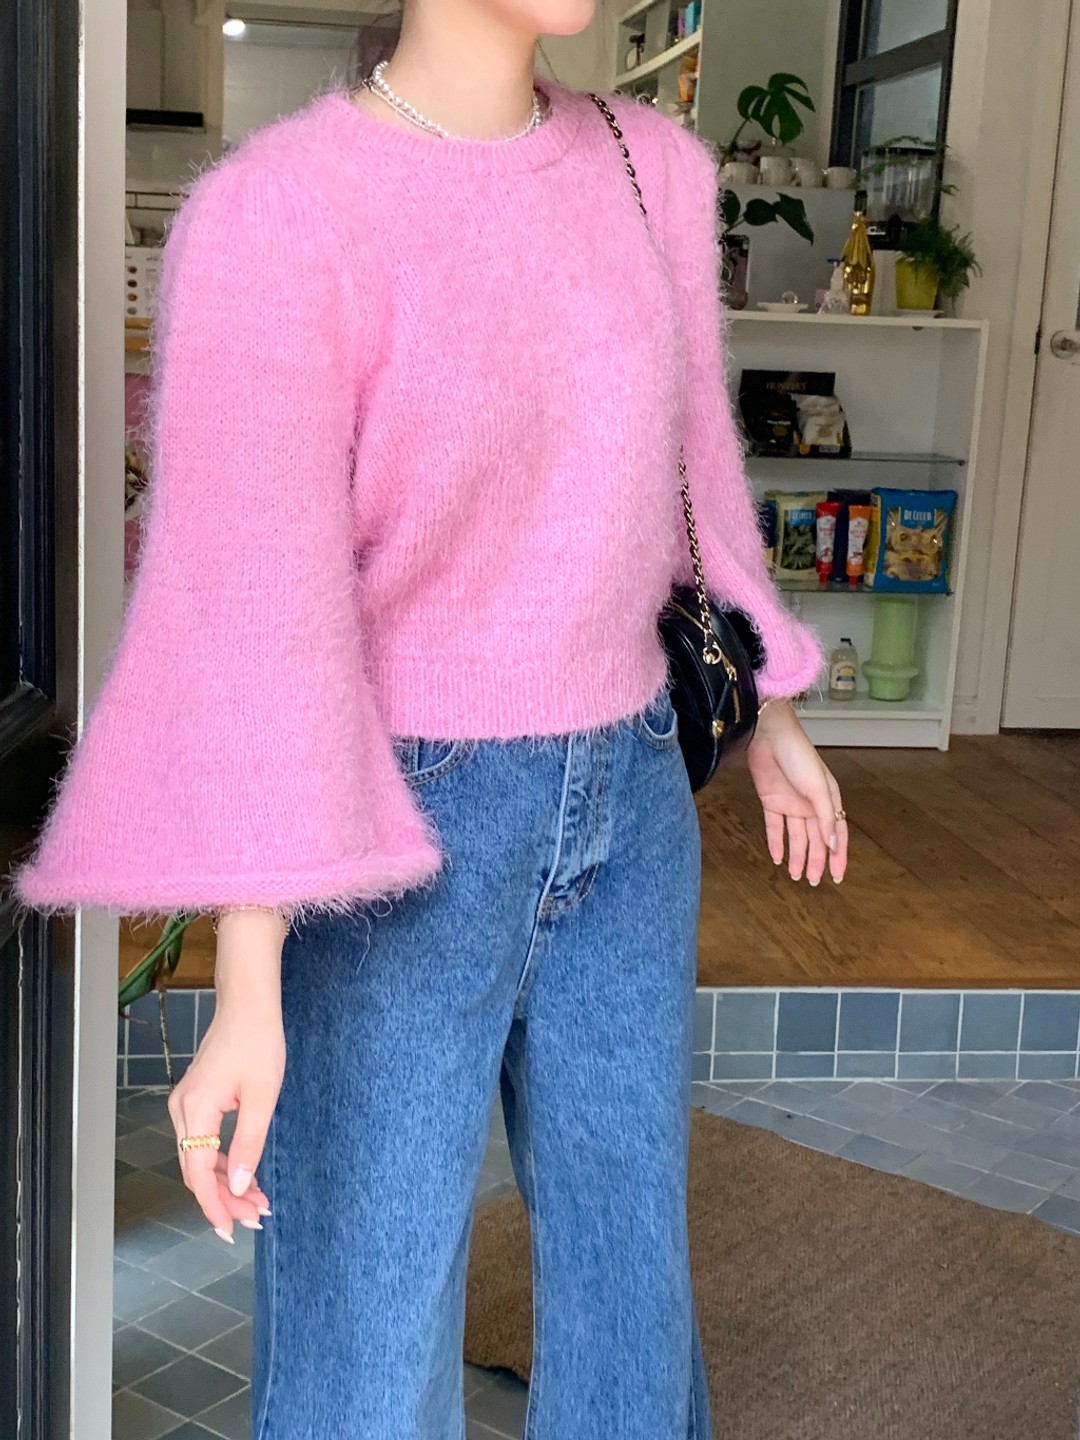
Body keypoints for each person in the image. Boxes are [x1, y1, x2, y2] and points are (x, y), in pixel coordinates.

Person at [12, 0, 849, 1432]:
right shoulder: (277, 216)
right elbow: (260, 612)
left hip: (636, 788)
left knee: (630, 1286)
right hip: (396, 828)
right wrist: (250, 971)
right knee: (367, 1319)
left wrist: (768, 707)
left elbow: (691, 469)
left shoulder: (650, 165)